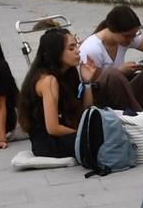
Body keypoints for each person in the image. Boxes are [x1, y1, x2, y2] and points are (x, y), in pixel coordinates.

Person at [79, 4, 143, 115]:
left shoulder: (127, 38)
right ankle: (140, 119)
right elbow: (93, 87)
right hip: (104, 103)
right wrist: (120, 71)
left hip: (124, 94)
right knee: (113, 75)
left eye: (134, 35)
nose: (131, 40)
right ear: (113, 30)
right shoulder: (92, 48)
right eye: (127, 36)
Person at [15, 27, 94, 159]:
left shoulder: (70, 73)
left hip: (66, 133)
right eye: (71, 48)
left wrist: (87, 83)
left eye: (76, 46)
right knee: (95, 139)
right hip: (48, 143)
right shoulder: (48, 81)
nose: (78, 51)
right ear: (56, 52)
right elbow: (53, 128)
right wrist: (82, 134)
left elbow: (86, 109)